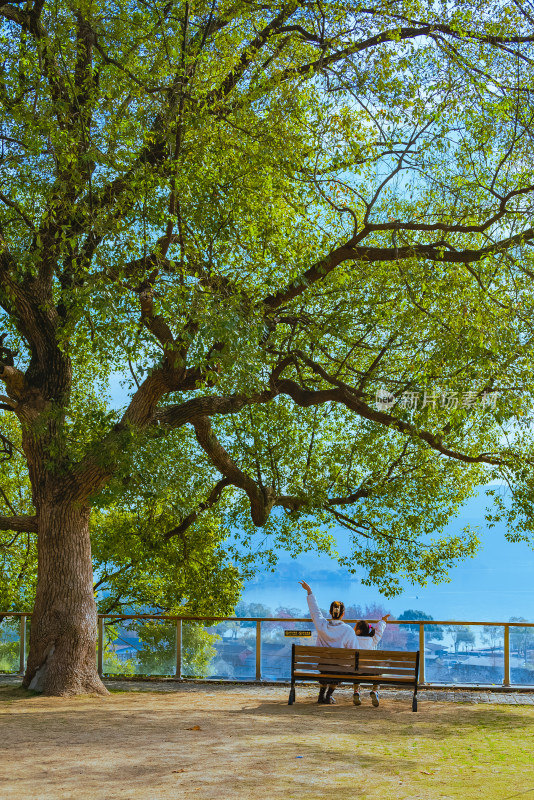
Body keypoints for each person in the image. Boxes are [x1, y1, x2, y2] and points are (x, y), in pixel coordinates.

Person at [298, 579, 359, 704]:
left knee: (327, 668)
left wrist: (309, 592)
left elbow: (315, 611)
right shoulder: (348, 630)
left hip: (323, 666)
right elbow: (354, 651)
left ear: (330, 613)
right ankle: (329, 695)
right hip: (339, 669)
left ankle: (322, 694)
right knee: (339, 669)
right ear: (343, 614)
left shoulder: (321, 625)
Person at [352, 616, 390, 707]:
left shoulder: (353, 640)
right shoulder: (372, 640)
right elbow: (379, 632)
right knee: (378, 673)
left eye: (355, 627)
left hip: (356, 672)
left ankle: (356, 691)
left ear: (358, 631)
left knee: (356, 669)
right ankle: (374, 691)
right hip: (370, 672)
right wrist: (382, 621)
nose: (353, 628)